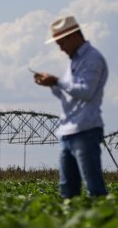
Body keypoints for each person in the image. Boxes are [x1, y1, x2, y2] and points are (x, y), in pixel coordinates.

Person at [33, 15, 109, 198]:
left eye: (61, 43)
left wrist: (57, 81)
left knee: (93, 187)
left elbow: (85, 91)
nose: (60, 49)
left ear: (73, 37)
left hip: (85, 129)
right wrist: (51, 84)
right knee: (67, 188)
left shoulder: (92, 59)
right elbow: (68, 94)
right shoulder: (74, 61)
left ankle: (103, 222)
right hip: (68, 131)